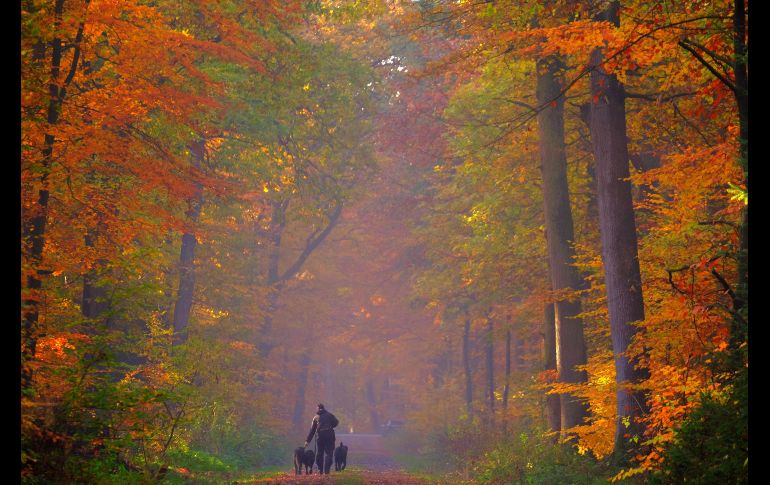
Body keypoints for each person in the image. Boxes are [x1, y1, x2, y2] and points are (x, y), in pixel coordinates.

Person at [304, 403, 339, 474]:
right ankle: (327, 471)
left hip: (320, 436)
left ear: (318, 408)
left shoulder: (316, 417)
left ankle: (320, 470)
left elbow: (312, 430)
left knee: (320, 453)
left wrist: (307, 441)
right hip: (329, 435)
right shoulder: (330, 415)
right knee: (329, 453)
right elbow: (336, 422)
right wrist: (330, 426)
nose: (315, 409)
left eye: (316, 408)